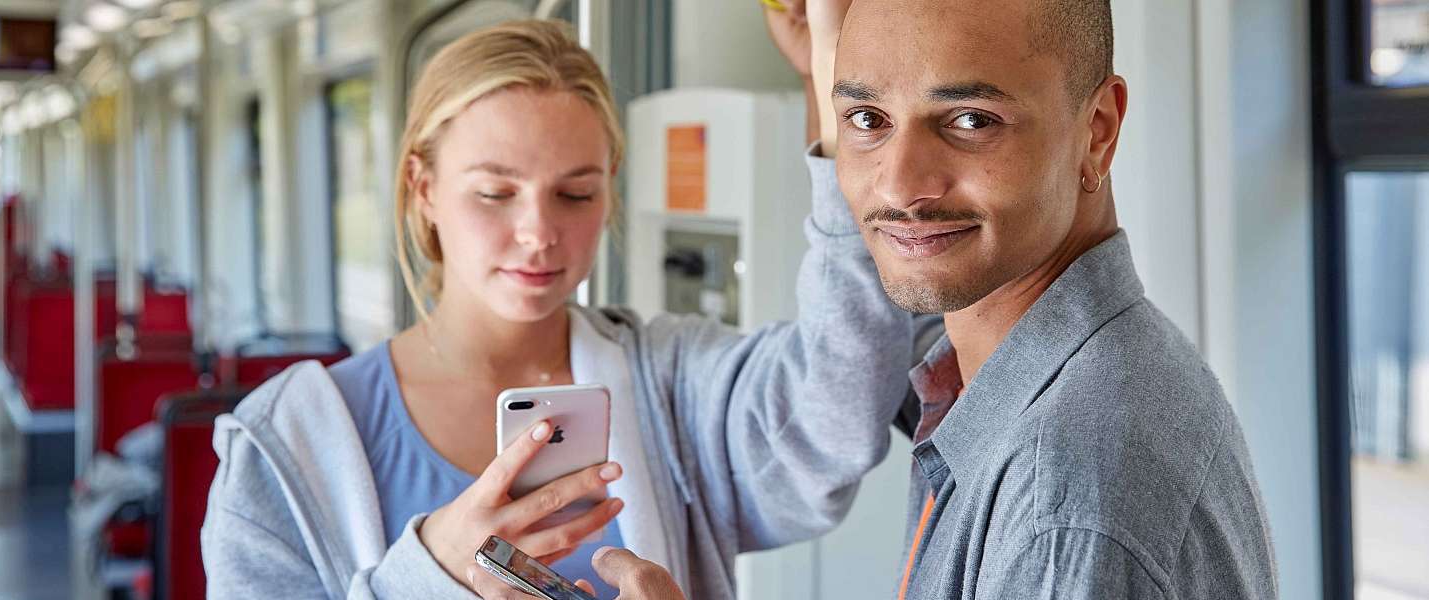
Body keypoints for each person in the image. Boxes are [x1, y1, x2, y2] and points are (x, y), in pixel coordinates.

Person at [550, 0, 1282, 598]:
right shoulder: (1014, 376)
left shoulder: (1068, 500)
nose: (900, 185)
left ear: (1097, 133)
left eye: (969, 121)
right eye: (868, 120)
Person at [200, 18, 918, 600]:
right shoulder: (283, 449)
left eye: (575, 194)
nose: (540, 234)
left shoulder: (672, 384)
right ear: (423, 188)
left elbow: (837, 402)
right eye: (494, 192)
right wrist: (428, 578)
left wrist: (834, 92)